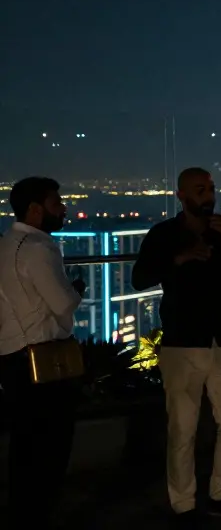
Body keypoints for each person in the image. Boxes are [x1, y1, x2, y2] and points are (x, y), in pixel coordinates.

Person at [132, 167, 221, 524]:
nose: (208, 195)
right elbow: (139, 277)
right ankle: (184, 505)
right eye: (200, 189)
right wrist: (178, 258)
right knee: (182, 429)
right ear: (182, 195)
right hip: (181, 342)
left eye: (211, 188)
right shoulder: (164, 235)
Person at [0, 177, 84, 529]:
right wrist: (76, 289)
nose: (63, 208)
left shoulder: (7, 243)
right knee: (50, 449)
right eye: (56, 203)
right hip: (43, 360)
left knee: (25, 446)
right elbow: (62, 303)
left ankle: (23, 515)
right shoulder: (38, 247)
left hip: (12, 355)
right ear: (35, 209)